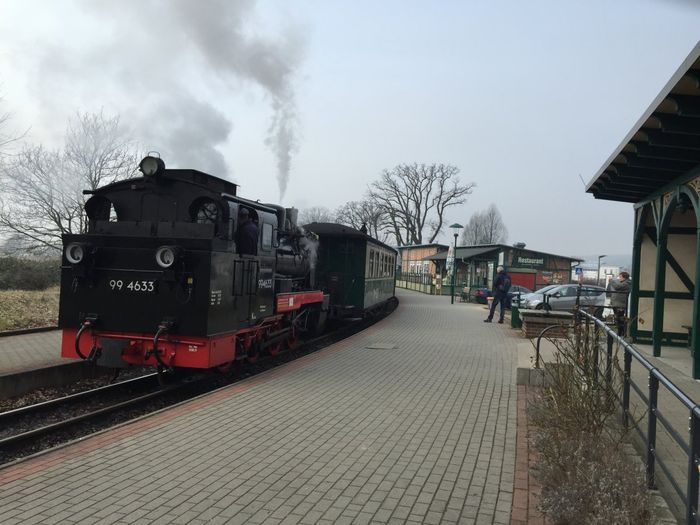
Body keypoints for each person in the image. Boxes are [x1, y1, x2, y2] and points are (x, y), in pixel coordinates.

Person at [607, 271, 631, 335]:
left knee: (620, 318)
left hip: (620, 304)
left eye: (620, 277)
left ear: (624, 277)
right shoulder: (623, 283)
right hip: (617, 303)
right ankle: (620, 332)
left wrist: (612, 281)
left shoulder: (626, 283)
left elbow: (617, 287)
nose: (619, 278)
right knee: (617, 318)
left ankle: (621, 332)